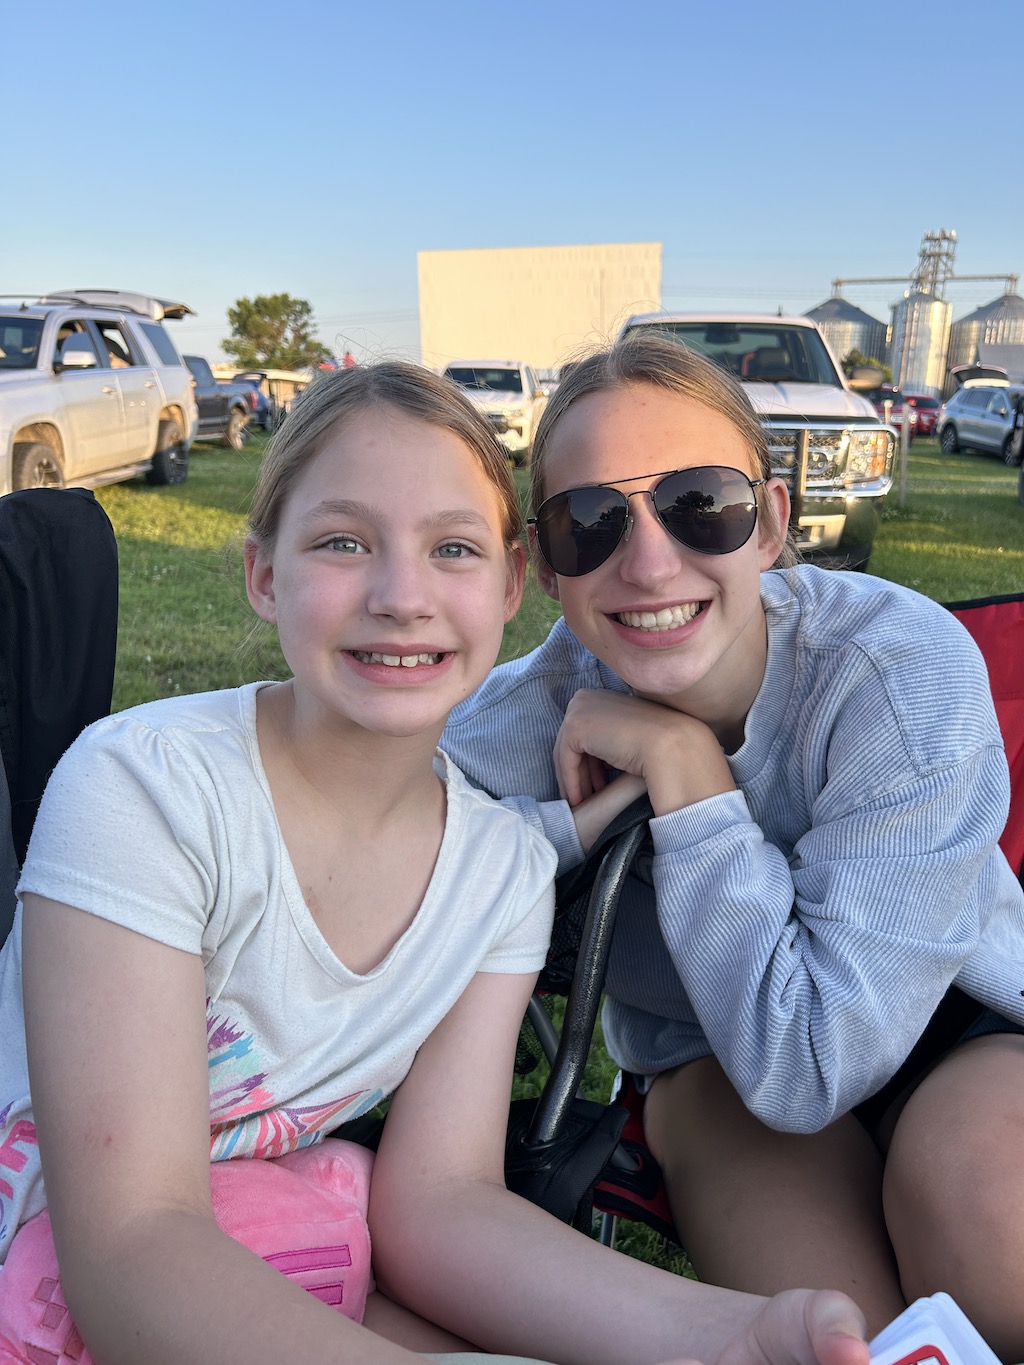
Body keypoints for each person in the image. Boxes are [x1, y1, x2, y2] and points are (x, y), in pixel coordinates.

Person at [0, 360, 871, 1365]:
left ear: (510, 586)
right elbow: (131, 1251)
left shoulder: (496, 873)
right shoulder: (149, 789)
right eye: (342, 542)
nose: (402, 597)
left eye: (451, 549)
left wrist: (734, 1334)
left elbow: (443, 1204)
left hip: (265, 1242)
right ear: (263, 574)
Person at [441, 333, 1024, 1360]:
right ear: (544, 570)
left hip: (950, 1017)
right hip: (715, 1068)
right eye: (591, 523)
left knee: (999, 1244)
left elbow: (817, 1056)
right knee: (849, 1342)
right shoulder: (515, 725)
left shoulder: (893, 668)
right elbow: (364, 846)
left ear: (770, 526)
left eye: (700, 502)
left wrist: (688, 778)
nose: (650, 560)